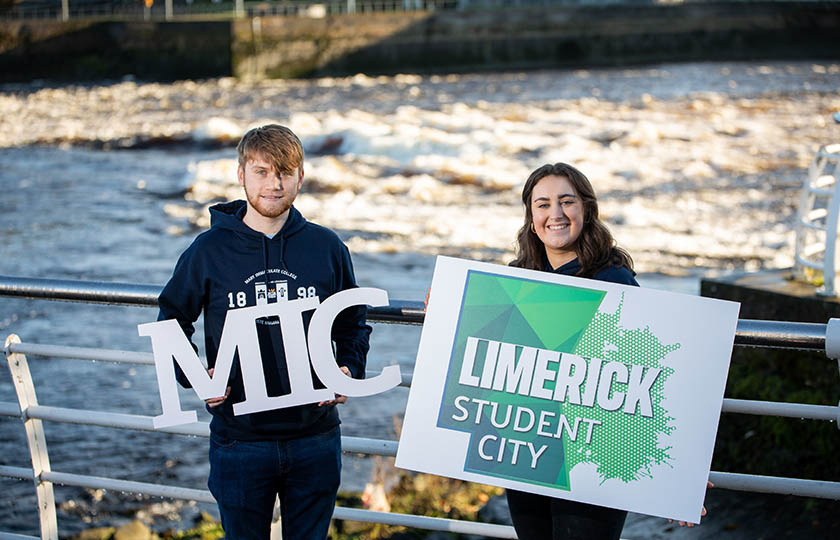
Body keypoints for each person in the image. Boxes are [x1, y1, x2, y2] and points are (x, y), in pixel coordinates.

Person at [157, 124, 371, 540]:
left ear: (300, 178)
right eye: (261, 171)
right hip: (240, 440)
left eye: (284, 173)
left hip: (315, 436)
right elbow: (171, 319)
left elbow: (353, 322)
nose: (273, 184)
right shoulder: (207, 251)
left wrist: (348, 367)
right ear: (241, 175)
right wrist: (196, 378)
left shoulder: (326, 247)